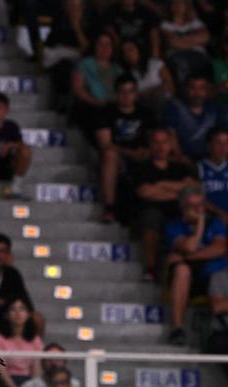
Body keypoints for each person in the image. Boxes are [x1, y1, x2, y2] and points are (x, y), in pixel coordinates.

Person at [132, 128, 198, 282]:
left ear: (170, 145)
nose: (160, 146)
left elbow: (192, 188)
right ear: (150, 145)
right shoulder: (142, 168)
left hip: (179, 212)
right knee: (150, 219)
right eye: (156, 142)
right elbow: (145, 192)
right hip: (152, 211)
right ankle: (151, 267)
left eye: (164, 142)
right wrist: (177, 191)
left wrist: (161, 185)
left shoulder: (180, 168)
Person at [165, 187, 228, 345]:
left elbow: (220, 248)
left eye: (200, 205)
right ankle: (178, 329)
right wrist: (200, 223)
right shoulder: (174, 226)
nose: (198, 210)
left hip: (214, 275)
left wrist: (187, 257)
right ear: (183, 208)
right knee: (182, 269)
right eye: (192, 206)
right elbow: (190, 246)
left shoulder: (215, 223)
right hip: (190, 278)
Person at [97, 74, 157, 222]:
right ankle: (109, 206)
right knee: (110, 155)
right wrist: (130, 153)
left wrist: (146, 151)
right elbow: (105, 144)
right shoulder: (106, 112)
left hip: (143, 155)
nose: (126, 96)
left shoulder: (146, 113)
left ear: (136, 93)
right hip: (120, 156)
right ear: (116, 93)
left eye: (130, 91)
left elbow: (153, 138)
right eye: (122, 91)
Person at [0, 296, 44, 387]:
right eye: (13, 309)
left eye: (22, 309)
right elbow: (1, 370)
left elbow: (36, 367)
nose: (18, 313)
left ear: (28, 314)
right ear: (6, 315)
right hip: (6, 382)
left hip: (29, 381)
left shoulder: (35, 340)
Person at [163, 76, 227, 162]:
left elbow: (224, 135)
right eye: (192, 88)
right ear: (185, 89)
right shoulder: (174, 107)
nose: (198, 93)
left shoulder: (215, 108)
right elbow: (170, 134)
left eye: (202, 88)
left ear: (207, 90)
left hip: (211, 159)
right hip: (182, 160)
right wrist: (181, 158)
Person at [200, 129, 228, 226]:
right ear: (209, 145)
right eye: (218, 143)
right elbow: (197, 198)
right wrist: (221, 213)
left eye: (226, 143)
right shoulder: (198, 167)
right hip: (210, 217)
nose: (223, 147)